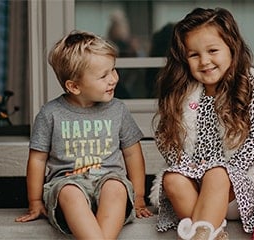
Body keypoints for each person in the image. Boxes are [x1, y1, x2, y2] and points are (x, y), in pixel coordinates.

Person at [152, 7, 254, 240]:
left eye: (212, 50)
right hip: (194, 186)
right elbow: (165, 138)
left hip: (237, 186)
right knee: (171, 179)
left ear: (232, 49)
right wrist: (185, 166)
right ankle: (208, 234)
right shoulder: (182, 90)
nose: (204, 61)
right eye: (194, 55)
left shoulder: (248, 82)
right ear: (184, 58)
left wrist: (227, 170)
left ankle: (203, 231)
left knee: (217, 173)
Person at [15, 30, 152, 239]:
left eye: (113, 70)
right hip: (67, 183)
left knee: (116, 187)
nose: (114, 79)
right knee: (71, 193)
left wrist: (139, 196)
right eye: (103, 75)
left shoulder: (118, 110)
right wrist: (35, 202)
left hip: (109, 179)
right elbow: (37, 159)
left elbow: (133, 153)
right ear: (74, 86)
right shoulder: (51, 113)